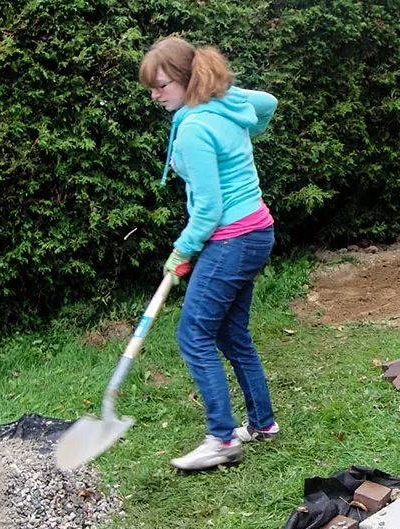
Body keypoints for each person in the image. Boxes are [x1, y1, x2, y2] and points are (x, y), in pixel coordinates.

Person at [139, 36, 280, 471]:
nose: (155, 95)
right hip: (257, 232)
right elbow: (268, 102)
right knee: (231, 335)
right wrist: (223, 93)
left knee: (193, 335)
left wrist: (182, 251)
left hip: (232, 239)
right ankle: (262, 423)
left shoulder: (197, 128)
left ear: (186, 80)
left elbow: (209, 209)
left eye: (161, 86)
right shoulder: (224, 108)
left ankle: (220, 439)